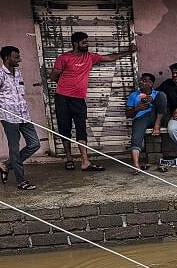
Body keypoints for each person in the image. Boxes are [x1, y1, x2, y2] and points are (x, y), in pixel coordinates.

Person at [49, 31, 136, 171]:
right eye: (84, 42)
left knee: (81, 128)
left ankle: (85, 161)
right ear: (75, 43)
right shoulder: (64, 58)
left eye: (87, 42)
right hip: (62, 98)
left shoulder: (89, 57)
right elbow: (53, 75)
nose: (87, 44)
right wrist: (66, 85)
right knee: (64, 127)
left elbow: (109, 58)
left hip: (79, 99)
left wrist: (127, 52)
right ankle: (69, 158)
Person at [0, 45, 40, 190]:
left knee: (35, 144)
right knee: (14, 149)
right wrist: (1, 115)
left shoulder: (18, 73)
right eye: (16, 57)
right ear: (6, 58)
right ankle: (21, 181)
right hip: (9, 118)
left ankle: (6, 165)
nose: (19, 60)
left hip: (24, 115)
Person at [125, 72, 167, 172]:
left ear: (151, 83)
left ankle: (157, 125)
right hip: (141, 119)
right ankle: (136, 165)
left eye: (144, 81)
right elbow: (128, 114)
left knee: (162, 95)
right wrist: (136, 109)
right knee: (136, 136)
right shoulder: (134, 95)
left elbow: (162, 108)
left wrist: (152, 100)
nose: (140, 82)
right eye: (140, 80)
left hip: (157, 118)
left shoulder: (157, 94)